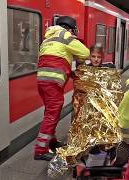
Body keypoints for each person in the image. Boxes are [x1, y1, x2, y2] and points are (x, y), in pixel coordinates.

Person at [35, 16, 90, 161]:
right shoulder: (65, 35)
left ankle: (51, 142)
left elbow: (54, 60)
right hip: (53, 82)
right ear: (71, 29)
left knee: (50, 112)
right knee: (52, 114)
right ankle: (40, 150)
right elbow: (85, 53)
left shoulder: (47, 39)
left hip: (42, 81)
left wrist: (69, 72)